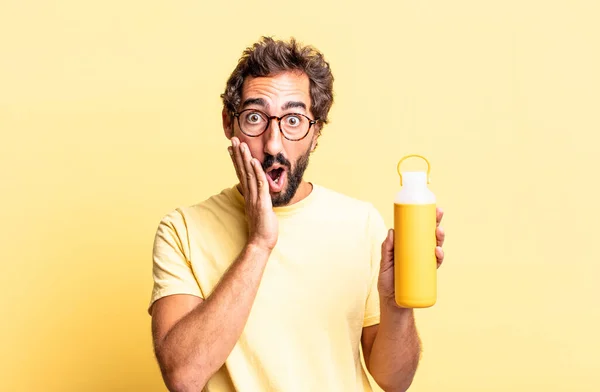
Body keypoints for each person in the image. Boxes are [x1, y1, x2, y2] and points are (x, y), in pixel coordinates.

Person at [148, 36, 446, 392]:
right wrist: (259, 243)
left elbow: (394, 382)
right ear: (229, 124)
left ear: (315, 132)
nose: (273, 144)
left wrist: (396, 304)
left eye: (293, 120)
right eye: (255, 117)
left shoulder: (361, 225)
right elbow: (183, 377)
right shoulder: (182, 230)